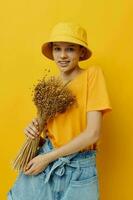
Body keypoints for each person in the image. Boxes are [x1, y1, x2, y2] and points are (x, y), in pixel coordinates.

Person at [7, 22, 112, 200]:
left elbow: (93, 133)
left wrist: (47, 158)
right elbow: (50, 132)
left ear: (81, 52)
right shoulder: (50, 87)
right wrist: (33, 131)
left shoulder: (92, 76)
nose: (62, 55)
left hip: (79, 169)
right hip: (44, 163)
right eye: (57, 49)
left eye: (70, 49)